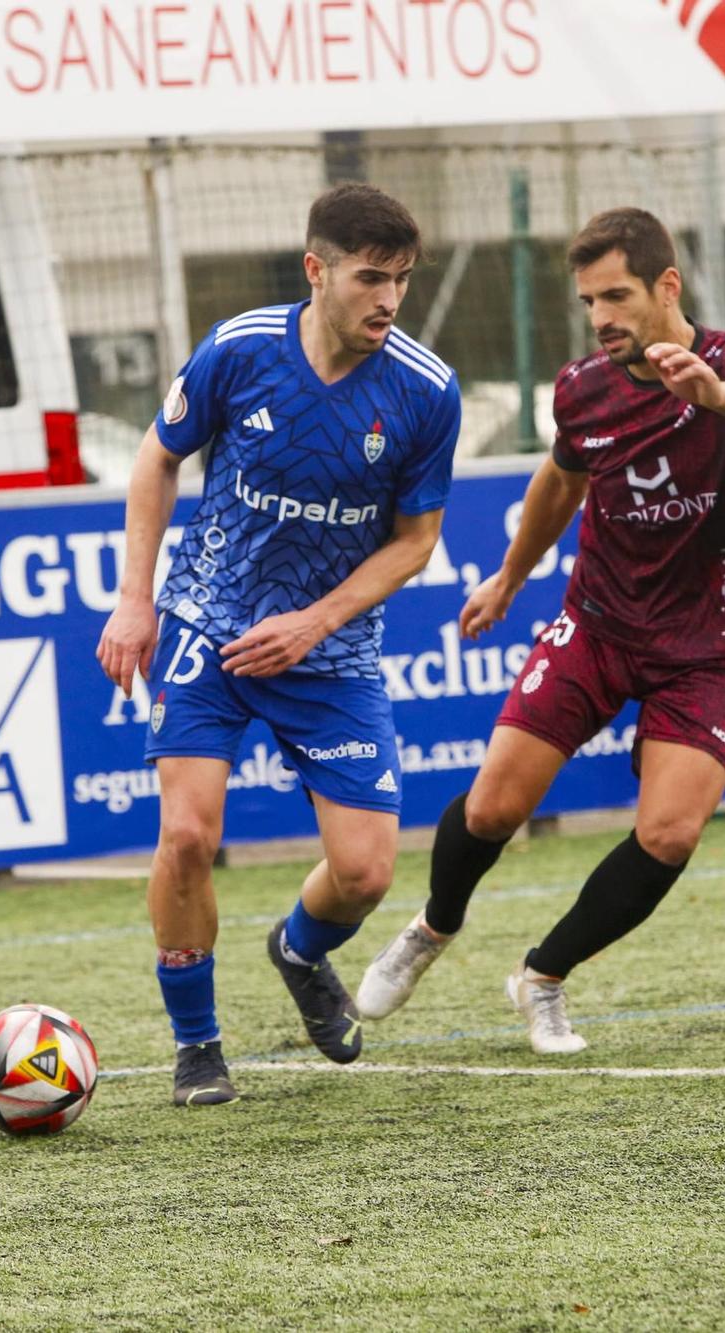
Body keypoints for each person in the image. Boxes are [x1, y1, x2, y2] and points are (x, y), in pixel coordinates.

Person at [355, 207, 725, 1054]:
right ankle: (430, 928)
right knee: (493, 806)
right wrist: (509, 577)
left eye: (617, 296)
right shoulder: (583, 388)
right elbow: (559, 486)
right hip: (598, 624)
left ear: (666, 287)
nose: (602, 318)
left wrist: (718, 397)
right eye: (589, 301)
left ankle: (543, 976)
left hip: (707, 645)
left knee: (670, 832)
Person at [96, 184, 461, 1105]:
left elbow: (415, 542)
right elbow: (156, 458)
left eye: (402, 282)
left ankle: (299, 949)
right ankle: (196, 1044)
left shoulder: (424, 391)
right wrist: (136, 600)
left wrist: (315, 621)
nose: (387, 299)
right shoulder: (240, 349)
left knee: (367, 871)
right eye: (369, 278)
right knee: (186, 834)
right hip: (209, 628)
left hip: (327, 654)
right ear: (317, 270)